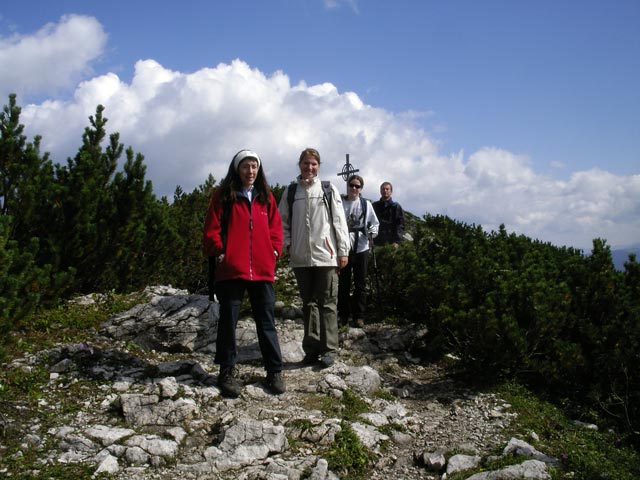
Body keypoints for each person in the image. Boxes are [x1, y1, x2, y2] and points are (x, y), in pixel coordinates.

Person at [202, 149, 285, 397]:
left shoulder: (265, 197)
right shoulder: (223, 195)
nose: (250, 171)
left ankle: (274, 371)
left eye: (254, 167)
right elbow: (211, 229)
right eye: (245, 166)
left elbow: (276, 229)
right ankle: (227, 371)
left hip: (262, 269)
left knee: (267, 321)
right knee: (228, 322)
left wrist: (274, 252)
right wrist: (219, 252)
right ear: (237, 169)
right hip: (231, 269)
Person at [278, 148, 350, 368]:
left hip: (326, 256)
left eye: (314, 164)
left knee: (327, 303)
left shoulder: (328, 189)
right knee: (308, 304)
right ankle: (311, 349)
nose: (309, 167)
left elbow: (339, 221)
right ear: (299, 164)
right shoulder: (291, 192)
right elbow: (282, 222)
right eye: (306, 163)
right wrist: (288, 244)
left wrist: (343, 250)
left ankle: (329, 350)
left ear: (319, 166)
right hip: (301, 258)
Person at [337, 175, 379, 328]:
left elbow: (374, 223)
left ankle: (359, 316)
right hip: (343, 248)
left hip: (361, 247)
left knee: (360, 284)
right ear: (347, 186)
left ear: (361, 188)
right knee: (344, 283)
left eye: (357, 186)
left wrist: (371, 233)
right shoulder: (339, 203)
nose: (354, 188)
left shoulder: (365, 204)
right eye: (351, 185)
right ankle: (343, 315)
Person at [372, 181, 405, 247]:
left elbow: (400, 225)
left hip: (391, 243)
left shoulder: (396, 206)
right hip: (376, 242)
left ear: (391, 191)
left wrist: (397, 241)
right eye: (383, 189)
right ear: (380, 191)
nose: (385, 191)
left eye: (387, 189)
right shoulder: (374, 206)